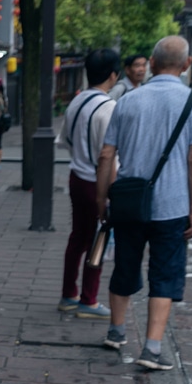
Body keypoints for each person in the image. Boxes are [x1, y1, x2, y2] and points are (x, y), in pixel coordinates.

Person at [96, 35, 192, 371]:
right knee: (166, 273)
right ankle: (152, 349)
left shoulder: (128, 100)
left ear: (153, 62)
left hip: (130, 203)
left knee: (125, 265)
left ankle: (116, 333)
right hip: (173, 207)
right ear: (187, 64)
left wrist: (102, 200)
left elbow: (106, 155)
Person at [58, 48, 119, 319]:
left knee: (78, 238)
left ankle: (68, 294)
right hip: (97, 183)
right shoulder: (109, 108)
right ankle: (89, 300)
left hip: (76, 177)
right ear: (113, 75)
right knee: (99, 240)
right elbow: (109, 156)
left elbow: (65, 140)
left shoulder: (77, 101)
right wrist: (109, 194)